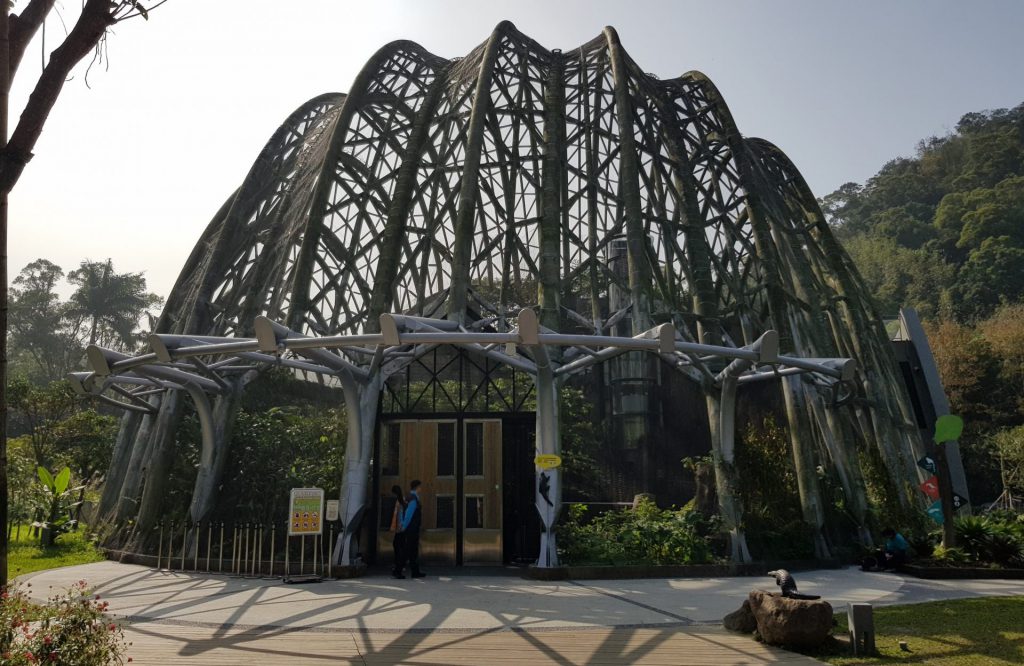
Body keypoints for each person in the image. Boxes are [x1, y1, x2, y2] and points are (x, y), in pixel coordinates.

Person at [398, 479, 425, 578]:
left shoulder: (409, 497)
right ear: (417, 487)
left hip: (411, 528)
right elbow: (409, 514)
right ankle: (398, 570)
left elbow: (402, 510)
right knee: (408, 550)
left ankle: (415, 571)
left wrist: (401, 522)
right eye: (420, 487)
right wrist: (404, 526)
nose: (421, 489)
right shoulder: (413, 499)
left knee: (413, 551)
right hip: (411, 529)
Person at [389, 484, 407, 579]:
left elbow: (399, 515)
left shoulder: (399, 502)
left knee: (398, 548)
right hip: (401, 529)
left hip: (400, 529)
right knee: (398, 547)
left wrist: (399, 526)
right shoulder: (402, 501)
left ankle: (398, 569)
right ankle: (397, 568)